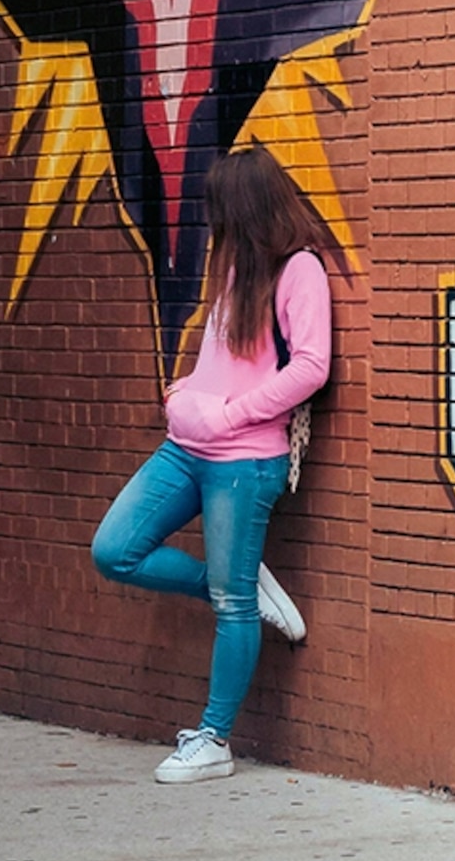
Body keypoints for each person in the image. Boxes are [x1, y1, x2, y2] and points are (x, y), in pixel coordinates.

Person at [92, 142, 333, 782]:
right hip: (186, 449)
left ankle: (214, 741)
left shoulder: (300, 270)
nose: (213, 223)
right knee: (114, 550)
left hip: (245, 460)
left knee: (232, 605)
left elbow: (312, 367)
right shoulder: (233, 269)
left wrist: (231, 414)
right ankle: (242, 585)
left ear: (247, 209)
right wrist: (185, 393)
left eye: (221, 210)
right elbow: (219, 357)